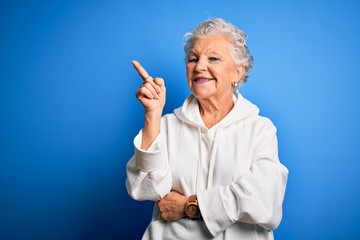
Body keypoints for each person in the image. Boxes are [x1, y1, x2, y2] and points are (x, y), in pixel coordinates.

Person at [126, 17, 288, 240]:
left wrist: (188, 206)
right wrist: (153, 115)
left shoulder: (260, 129)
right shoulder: (166, 125)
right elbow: (145, 189)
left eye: (213, 58)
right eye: (193, 59)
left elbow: (265, 201)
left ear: (238, 72)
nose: (199, 66)